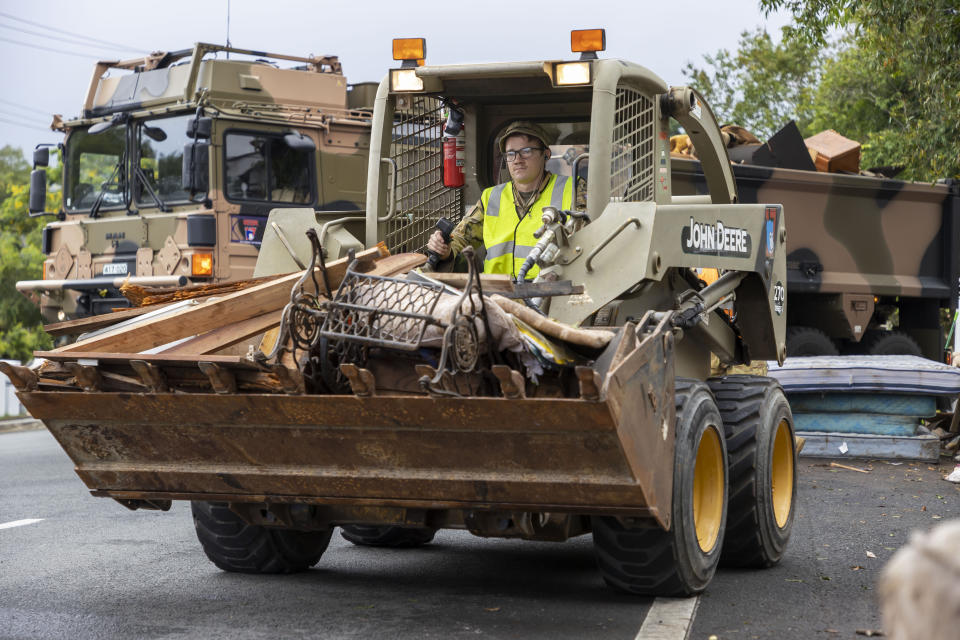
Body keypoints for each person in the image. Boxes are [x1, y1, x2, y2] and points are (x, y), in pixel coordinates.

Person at [426, 121, 573, 279]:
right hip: (498, 292)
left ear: (546, 154)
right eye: (511, 154)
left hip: (551, 292)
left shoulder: (572, 189)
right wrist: (445, 249)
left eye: (526, 151)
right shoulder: (491, 197)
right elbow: (461, 237)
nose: (517, 159)